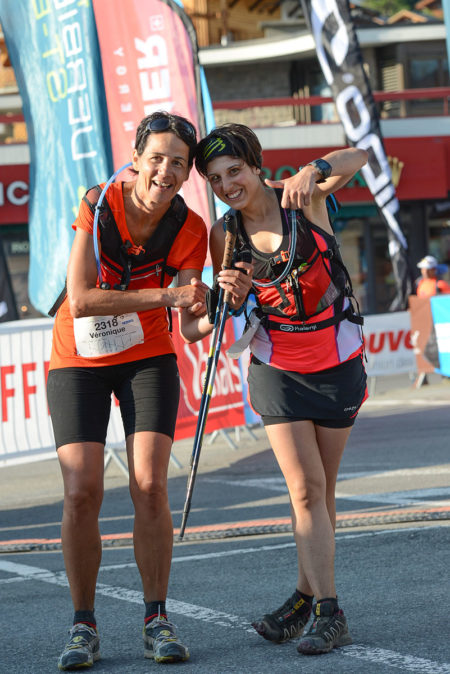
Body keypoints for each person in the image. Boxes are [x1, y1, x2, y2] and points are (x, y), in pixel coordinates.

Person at [47, 111, 251, 671]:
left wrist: (218, 305)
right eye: (157, 158)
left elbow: (190, 327)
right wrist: (164, 298)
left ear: (188, 175)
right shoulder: (97, 204)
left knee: (150, 486)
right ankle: (82, 624)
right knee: (81, 491)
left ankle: (156, 617)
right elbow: (82, 298)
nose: (166, 170)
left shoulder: (188, 228)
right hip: (78, 359)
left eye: (179, 164)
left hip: (148, 359)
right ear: (137, 157)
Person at [194, 123, 369, 656]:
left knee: (321, 494)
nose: (227, 185)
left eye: (235, 172)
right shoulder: (224, 234)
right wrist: (230, 294)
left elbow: (359, 154)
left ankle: (301, 597)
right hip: (277, 368)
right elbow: (224, 316)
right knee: (305, 490)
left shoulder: (304, 199)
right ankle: (328, 612)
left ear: (256, 165)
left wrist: (315, 169)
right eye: (216, 178)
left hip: (337, 362)